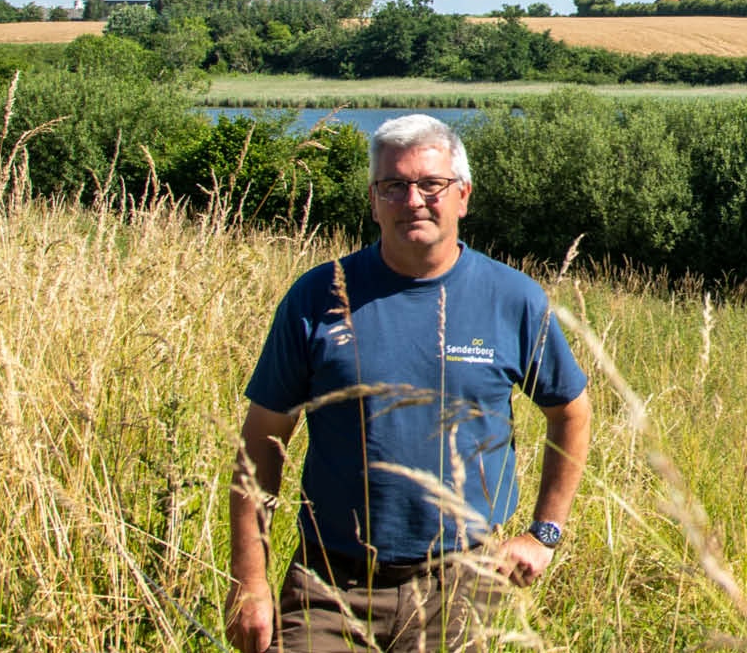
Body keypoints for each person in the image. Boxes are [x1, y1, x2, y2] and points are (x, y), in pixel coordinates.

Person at [225, 114, 592, 652]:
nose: (412, 199)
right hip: (329, 585)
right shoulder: (318, 297)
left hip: (461, 586)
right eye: (393, 186)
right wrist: (250, 582)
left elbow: (571, 412)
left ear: (463, 195)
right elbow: (260, 442)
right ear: (374, 201)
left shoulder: (512, 299)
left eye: (431, 184)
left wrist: (545, 534)